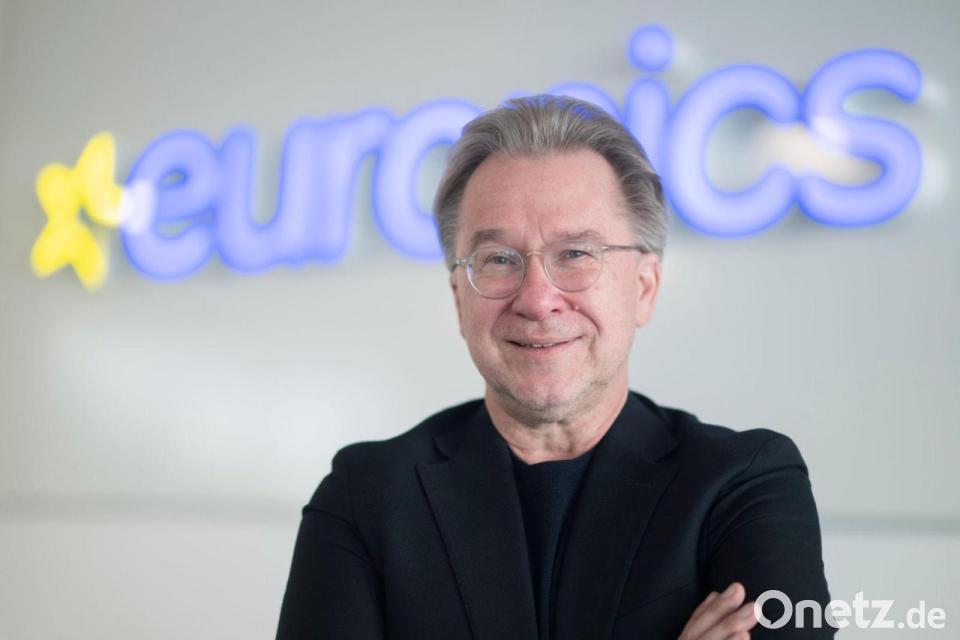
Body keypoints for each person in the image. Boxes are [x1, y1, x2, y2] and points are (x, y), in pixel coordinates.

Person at [276, 95, 833, 639]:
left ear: (644, 287)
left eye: (575, 254)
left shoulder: (745, 483)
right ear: (459, 299)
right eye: (499, 259)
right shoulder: (364, 496)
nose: (537, 300)